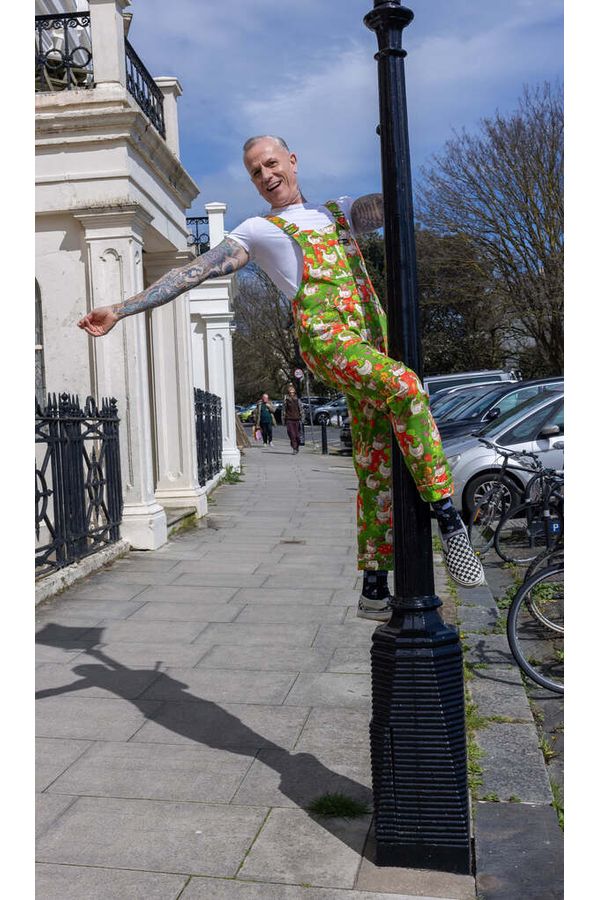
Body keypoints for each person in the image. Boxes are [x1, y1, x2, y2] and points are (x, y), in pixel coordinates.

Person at [78, 135, 484, 622]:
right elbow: (189, 274)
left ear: (292, 161)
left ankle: (374, 584)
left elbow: (388, 207)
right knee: (408, 387)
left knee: (375, 461)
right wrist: (122, 308)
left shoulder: (339, 212)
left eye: (271, 163)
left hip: (372, 339)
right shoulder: (256, 229)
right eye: (255, 172)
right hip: (328, 338)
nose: (266, 175)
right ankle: (446, 514)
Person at [283, 383, 304, 453]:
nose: (291, 393)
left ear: (294, 392)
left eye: (293, 392)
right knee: (292, 435)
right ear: (288, 393)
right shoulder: (286, 400)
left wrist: (302, 418)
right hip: (289, 419)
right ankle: (294, 448)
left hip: (297, 419)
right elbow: (283, 410)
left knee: (298, 436)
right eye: (290, 392)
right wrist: (283, 419)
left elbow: (301, 410)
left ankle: (297, 446)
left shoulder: (297, 400)